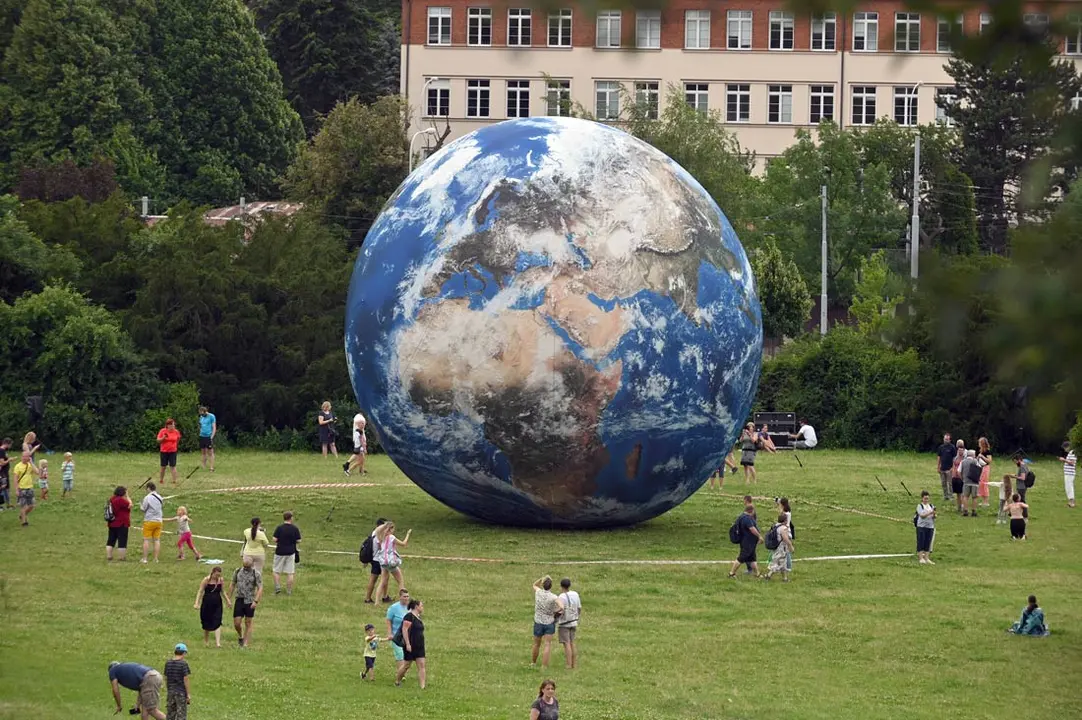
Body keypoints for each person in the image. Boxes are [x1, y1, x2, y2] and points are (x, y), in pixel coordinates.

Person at [228, 555, 263, 647]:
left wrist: (256, 601)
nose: (246, 568)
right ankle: (241, 636)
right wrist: (228, 598)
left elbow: (260, 588)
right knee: (237, 623)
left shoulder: (256, 573)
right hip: (239, 599)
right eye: (245, 566)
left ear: (252, 565)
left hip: (250, 600)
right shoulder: (237, 571)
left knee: (248, 622)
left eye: (248, 567)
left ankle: (245, 643)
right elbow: (232, 584)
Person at [375, 520, 411, 602]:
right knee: (400, 581)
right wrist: (408, 534)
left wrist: (385, 526)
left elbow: (378, 532)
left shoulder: (381, 536)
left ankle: (377, 601)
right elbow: (403, 544)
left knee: (382, 581)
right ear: (391, 529)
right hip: (391, 562)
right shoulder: (392, 537)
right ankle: (403, 600)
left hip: (383, 562)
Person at [194, 565, 230, 647]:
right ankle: (206, 641)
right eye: (216, 575)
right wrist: (196, 603)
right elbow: (200, 591)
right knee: (207, 622)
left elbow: (223, 591)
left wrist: (228, 601)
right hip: (207, 603)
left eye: (219, 575)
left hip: (217, 604)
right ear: (213, 573)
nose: (218, 576)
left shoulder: (220, 580)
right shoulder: (206, 580)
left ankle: (218, 643)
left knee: (218, 621)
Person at [394, 599, 426, 688]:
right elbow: (404, 630)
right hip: (410, 645)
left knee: (422, 665)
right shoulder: (409, 616)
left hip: (419, 645)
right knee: (406, 665)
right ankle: (397, 681)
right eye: (421, 606)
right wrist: (407, 644)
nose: (422, 608)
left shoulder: (418, 617)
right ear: (416, 606)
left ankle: (422, 687)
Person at [531, 576, 561, 669]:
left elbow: (534, 585)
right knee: (547, 644)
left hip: (538, 621)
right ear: (551, 586)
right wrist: (555, 611)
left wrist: (541, 578)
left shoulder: (538, 592)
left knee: (536, 644)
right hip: (549, 622)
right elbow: (562, 606)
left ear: (543, 585)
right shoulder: (553, 597)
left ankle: (533, 662)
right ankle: (544, 666)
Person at [727, 503, 763, 578]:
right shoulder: (747, 518)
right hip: (747, 542)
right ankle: (731, 573)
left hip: (749, 542)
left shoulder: (742, 517)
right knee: (741, 558)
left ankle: (757, 574)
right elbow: (752, 528)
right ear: (751, 510)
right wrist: (759, 536)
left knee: (752, 558)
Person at [272, 511, 302, 595]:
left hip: (280, 551)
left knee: (276, 570)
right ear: (291, 518)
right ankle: (289, 590)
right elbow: (299, 540)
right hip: (291, 552)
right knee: (290, 572)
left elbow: (274, 539)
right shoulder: (295, 528)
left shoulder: (279, 528)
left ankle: (277, 587)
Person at [556, 578, 581, 669]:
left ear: (561, 586)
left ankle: (568, 664)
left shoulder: (561, 596)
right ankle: (574, 664)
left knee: (566, 643)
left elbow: (560, 610)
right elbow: (579, 608)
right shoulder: (575, 594)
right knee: (572, 642)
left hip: (565, 622)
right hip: (574, 621)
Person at [386, 588, 411, 678]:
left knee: (406, 654)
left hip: (408, 636)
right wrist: (390, 633)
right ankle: (401, 675)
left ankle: (402, 672)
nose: (406, 598)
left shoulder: (410, 608)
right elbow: (388, 620)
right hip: (397, 635)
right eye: (404, 596)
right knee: (399, 654)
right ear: (400, 597)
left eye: (407, 596)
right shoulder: (393, 608)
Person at [163, 643, 191, 720]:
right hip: (180, 692)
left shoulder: (168, 663)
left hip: (171, 691)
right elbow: (186, 679)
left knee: (170, 714)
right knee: (181, 714)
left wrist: (168, 689)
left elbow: (166, 677)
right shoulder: (183, 664)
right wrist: (188, 694)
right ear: (184, 653)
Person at [763, 512, 794, 581]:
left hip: (776, 547)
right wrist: (791, 546)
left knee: (783, 563)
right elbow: (786, 539)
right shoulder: (783, 528)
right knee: (778, 563)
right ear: (785, 520)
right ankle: (768, 575)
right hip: (782, 548)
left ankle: (785, 578)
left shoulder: (775, 526)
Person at [140, 482, 165, 563]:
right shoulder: (160, 497)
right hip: (159, 521)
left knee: (146, 540)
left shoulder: (147, 497)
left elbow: (143, 509)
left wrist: (140, 505)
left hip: (149, 521)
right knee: (157, 540)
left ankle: (145, 559)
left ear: (148, 488)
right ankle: (156, 559)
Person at [364, 517, 387, 604]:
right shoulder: (379, 534)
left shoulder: (373, 532)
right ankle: (380, 597)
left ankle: (369, 598)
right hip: (378, 559)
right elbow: (381, 546)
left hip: (374, 558)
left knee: (377, 578)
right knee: (379, 579)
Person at [13, 451, 39, 526]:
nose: (25, 458)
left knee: (32, 505)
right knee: (23, 506)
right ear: (21, 457)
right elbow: (15, 479)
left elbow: (37, 472)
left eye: (27, 456)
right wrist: (16, 489)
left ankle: (22, 515)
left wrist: (31, 462)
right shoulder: (17, 466)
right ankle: (24, 522)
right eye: (24, 456)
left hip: (30, 487)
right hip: (21, 488)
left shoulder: (30, 465)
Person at [107, 486, 133, 561]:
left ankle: (109, 556)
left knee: (111, 540)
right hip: (122, 524)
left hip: (112, 523)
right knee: (122, 541)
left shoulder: (111, 499)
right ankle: (121, 557)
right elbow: (130, 505)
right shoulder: (120, 500)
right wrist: (128, 497)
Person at [156, 419, 181, 486]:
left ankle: (174, 481)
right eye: (172, 424)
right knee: (163, 466)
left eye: (174, 424)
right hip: (164, 451)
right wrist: (163, 438)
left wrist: (174, 445)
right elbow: (158, 440)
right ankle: (161, 480)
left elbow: (178, 439)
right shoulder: (162, 431)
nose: (173, 426)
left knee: (173, 466)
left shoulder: (176, 432)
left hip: (173, 451)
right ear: (168, 425)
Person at [915, 491, 936, 565]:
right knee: (921, 541)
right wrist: (930, 513)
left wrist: (934, 515)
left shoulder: (931, 505)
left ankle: (927, 558)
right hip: (921, 526)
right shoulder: (919, 506)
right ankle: (921, 558)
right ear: (922, 498)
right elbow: (922, 515)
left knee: (928, 542)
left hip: (930, 526)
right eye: (925, 498)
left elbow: (934, 516)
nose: (926, 500)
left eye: (927, 498)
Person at [344, 412, 367, 477]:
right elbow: (361, 441)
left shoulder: (358, 431)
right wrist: (364, 448)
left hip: (359, 447)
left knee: (362, 461)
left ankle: (362, 472)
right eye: (361, 423)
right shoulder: (359, 432)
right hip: (359, 448)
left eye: (363, 423)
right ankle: (348, 470)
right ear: (358, 424)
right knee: (360, 461)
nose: (363, 424)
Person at [960, 449, 980, 517]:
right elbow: (979, 469)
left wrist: (962, 478)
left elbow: (959, 471)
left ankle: (965, 511)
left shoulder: (963, 461)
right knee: (974, 497)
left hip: (966, 481)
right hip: (974, 482)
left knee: (965, 496)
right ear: (972, 455)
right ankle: (973, 512)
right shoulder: (975, 461)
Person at [935, 433, 955, 502]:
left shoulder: (952, 447)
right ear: (943, 439)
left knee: (950, 483)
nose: (946, 440)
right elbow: (939, 457)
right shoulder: (941, 447)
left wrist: (953, 467)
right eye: (945, 439)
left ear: (950, 440)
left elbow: (954, 458)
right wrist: (938, 467)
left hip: (949, 469)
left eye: (947, 439)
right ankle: (945, 495)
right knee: (943, 483)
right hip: (942, 468)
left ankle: (951, 496)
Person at [1058, 440, 1076, 508]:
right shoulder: (1070, 453)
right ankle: (1070, 501)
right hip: (1068, 473)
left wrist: (1064, 460)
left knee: (1069, 487)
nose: (1065, 450)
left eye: (1065, 448)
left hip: (1070, 473)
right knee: (1068, 487)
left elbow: (1072, 462)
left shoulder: (1072, 452)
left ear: (1068, 447)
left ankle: (1072, 502)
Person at [197, 406, 216, 472]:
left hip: (208, 436)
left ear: (205, 412)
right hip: (202, 436)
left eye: (202, 413)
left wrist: (211, 437)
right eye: (200, 414)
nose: (201, 415)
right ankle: (203, 466)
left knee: (210, 452)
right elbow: (200, 425)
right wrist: (200, 432)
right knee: (203, 452)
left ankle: (211, 467)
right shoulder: (201, 417)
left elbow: (214, 427)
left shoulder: (211, 416)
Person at [1013, 455, 1031, 519]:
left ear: (1019, 460)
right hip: (1023, 486)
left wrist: (1014, 477)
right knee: (1020, 500)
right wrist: (1016, 475)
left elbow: (1023, 478)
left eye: (1015, 461)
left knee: (1022, 501)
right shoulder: (1025, 465)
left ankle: (1025, 515)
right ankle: (1019, 514)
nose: (1015, 463)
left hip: (1021, 486)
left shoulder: (1022, 467)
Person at [950, 439, 966, 513]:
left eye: (961, 450)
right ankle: (958, 507)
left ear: (963, 451)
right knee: (957, 493)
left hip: (961, 477)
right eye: (959, 450)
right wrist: (952, 475)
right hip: (955, 477)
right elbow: (953, 466)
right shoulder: (955, 458)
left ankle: (963, 506)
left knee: (963, 493)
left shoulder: (964, 459)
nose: (960, 452)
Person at [977, 437, 993, 508]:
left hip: (985, 468)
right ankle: (983, 501)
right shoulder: (981, 451)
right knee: (981, 484)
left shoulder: (987, 451)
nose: (978, 444)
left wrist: (982, 457)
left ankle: (986, 502)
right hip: (981, 467)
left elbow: (989, 461)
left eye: (980, 443)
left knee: (984, 484)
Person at [0, 437, 11, 509]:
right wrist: (9, 460)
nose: (10, 447)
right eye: (10, 445)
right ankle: (3, 505)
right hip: (3, 472)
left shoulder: (2, 450)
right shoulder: (1, 450)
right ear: (7, 443)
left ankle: (8, 504)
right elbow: (2, 463)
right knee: (3, 487)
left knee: (6, 487)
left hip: (4, 472)